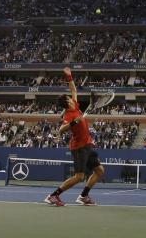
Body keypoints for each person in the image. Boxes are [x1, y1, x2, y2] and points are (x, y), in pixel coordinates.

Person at [45, 67, 105, 207]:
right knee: (79, 176)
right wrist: (73, 122)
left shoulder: (76, 106)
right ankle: (53, 196)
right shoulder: (69, 115)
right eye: (69, 98)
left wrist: (69, 76)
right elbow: (61, 130)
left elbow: (74, 89)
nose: (71, 97)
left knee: (99, 170)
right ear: (67, 103)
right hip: (79, 148)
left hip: (88, 145)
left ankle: (83, 196)